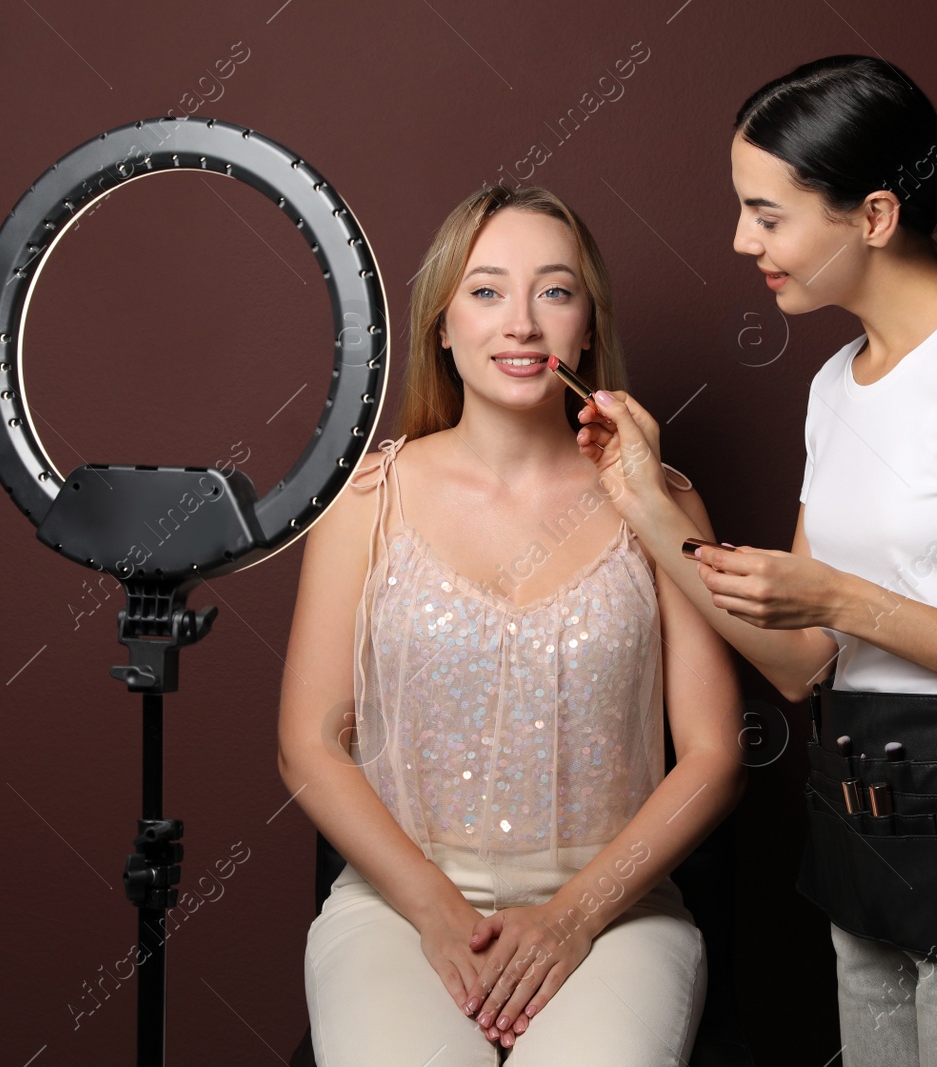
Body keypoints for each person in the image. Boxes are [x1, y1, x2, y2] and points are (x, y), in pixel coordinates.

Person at [572, 55, 937, 1065]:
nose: (743, 241)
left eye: (768, 215)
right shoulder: (838, 384)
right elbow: (802, 662)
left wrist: (847, 598)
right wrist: (647, 509)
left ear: (872, 215)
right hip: (870, 833)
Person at [277, 184, 745, 1066]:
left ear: (588, 328)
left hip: (617, 912)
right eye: (487, 291)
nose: (522, 322)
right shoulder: (365, 505)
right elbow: (309, 744)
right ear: (442, 328)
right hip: (397, 905)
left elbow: (717, 755)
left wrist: (574, 918)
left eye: (555, 291)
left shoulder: (663, 499)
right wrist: (437, 913)